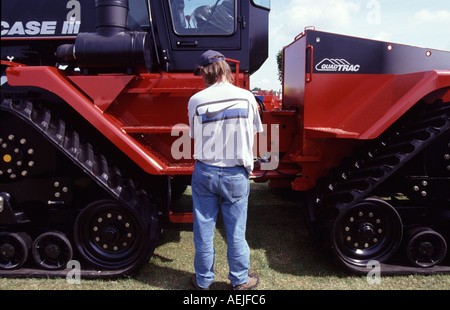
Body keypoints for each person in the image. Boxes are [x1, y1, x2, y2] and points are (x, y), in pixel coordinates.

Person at [188, 50, 263, 290]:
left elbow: (194, 135)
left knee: (203, 231)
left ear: (206, 72)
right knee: (236, 232)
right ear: (225, 70)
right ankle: (240, 280)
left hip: (205, 171)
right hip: (236, 173)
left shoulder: (196, 100)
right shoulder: (247, 97)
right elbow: (253, 131)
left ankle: (203, 281)